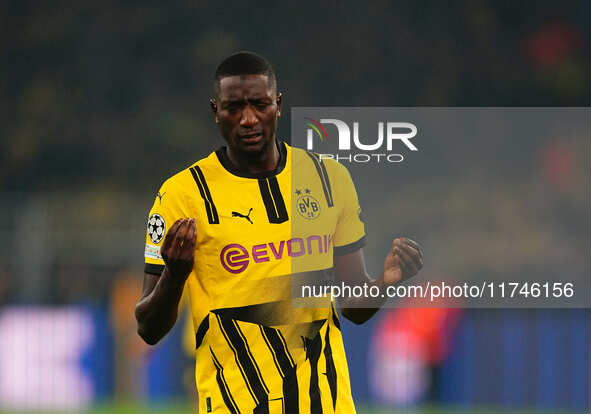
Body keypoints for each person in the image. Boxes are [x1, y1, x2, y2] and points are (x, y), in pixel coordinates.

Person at [135, 51, 423, 413]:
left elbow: (353, 306)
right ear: (215, 111)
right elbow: (148, 328)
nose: (248, 119)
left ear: (279, 104)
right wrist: (175, 277)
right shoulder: (182, 195)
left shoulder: (328, 178)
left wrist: (386, 280)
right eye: (233, 108)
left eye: (259, 104)